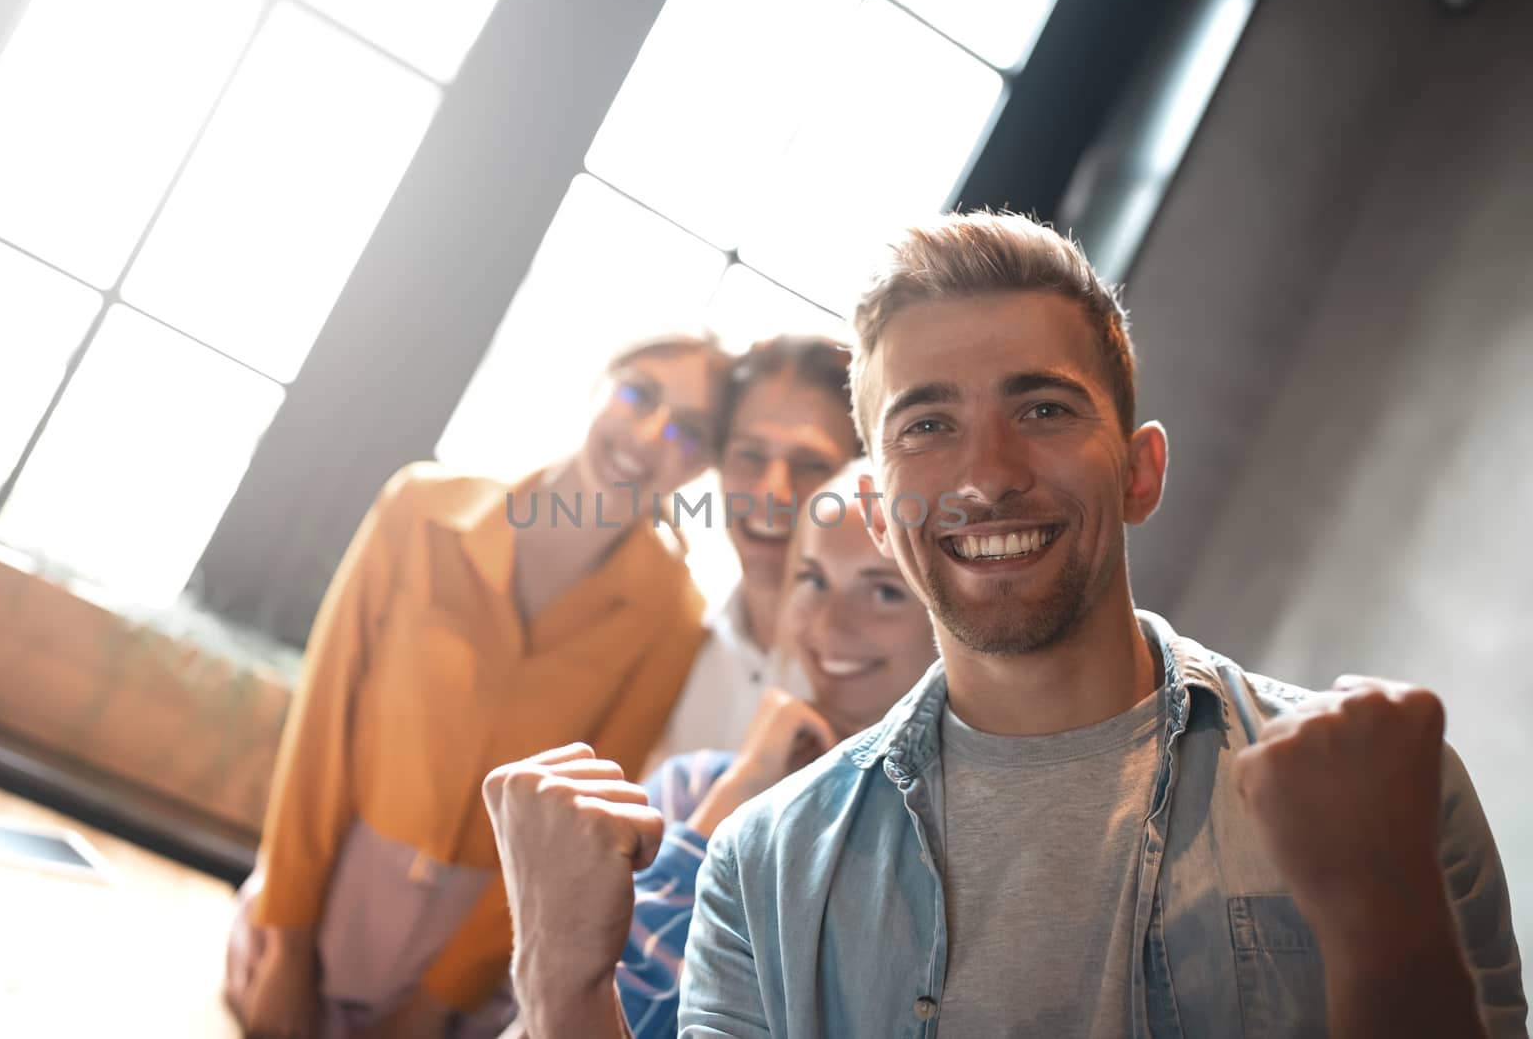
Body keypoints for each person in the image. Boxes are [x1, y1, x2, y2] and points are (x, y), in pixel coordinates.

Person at [502, 212, 1525, 1038]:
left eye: (1042, 409)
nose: (987, 476)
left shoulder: (1388, 786)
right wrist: (554, 983)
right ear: (882, 504)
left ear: (1140, 470)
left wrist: (1382, 924)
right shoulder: (764, 862)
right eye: (927, 425)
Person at [226, 333, 730, 1039]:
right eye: (639, 393)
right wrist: (288, 938)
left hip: (480, 952)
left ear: (703, 464)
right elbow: (321, 725)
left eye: (688, 430)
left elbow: (577, 828)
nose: (649, 435)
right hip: (321, 895)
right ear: (600, 383)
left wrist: (434, 1002)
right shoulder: (419, 509)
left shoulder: (674, 619)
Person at [479, 466, 939, 1039]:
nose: (828, 623)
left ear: (942, 611)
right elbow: (552, 1019)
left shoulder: (931, 856)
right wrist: (734, 797)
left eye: (884, 591)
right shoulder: (696, 787)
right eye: (813, 579)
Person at [648, 336, 860, 760]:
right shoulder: (673, 647)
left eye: (811, 465)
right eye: (749, 455)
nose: (772, 492)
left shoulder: (884, 671)